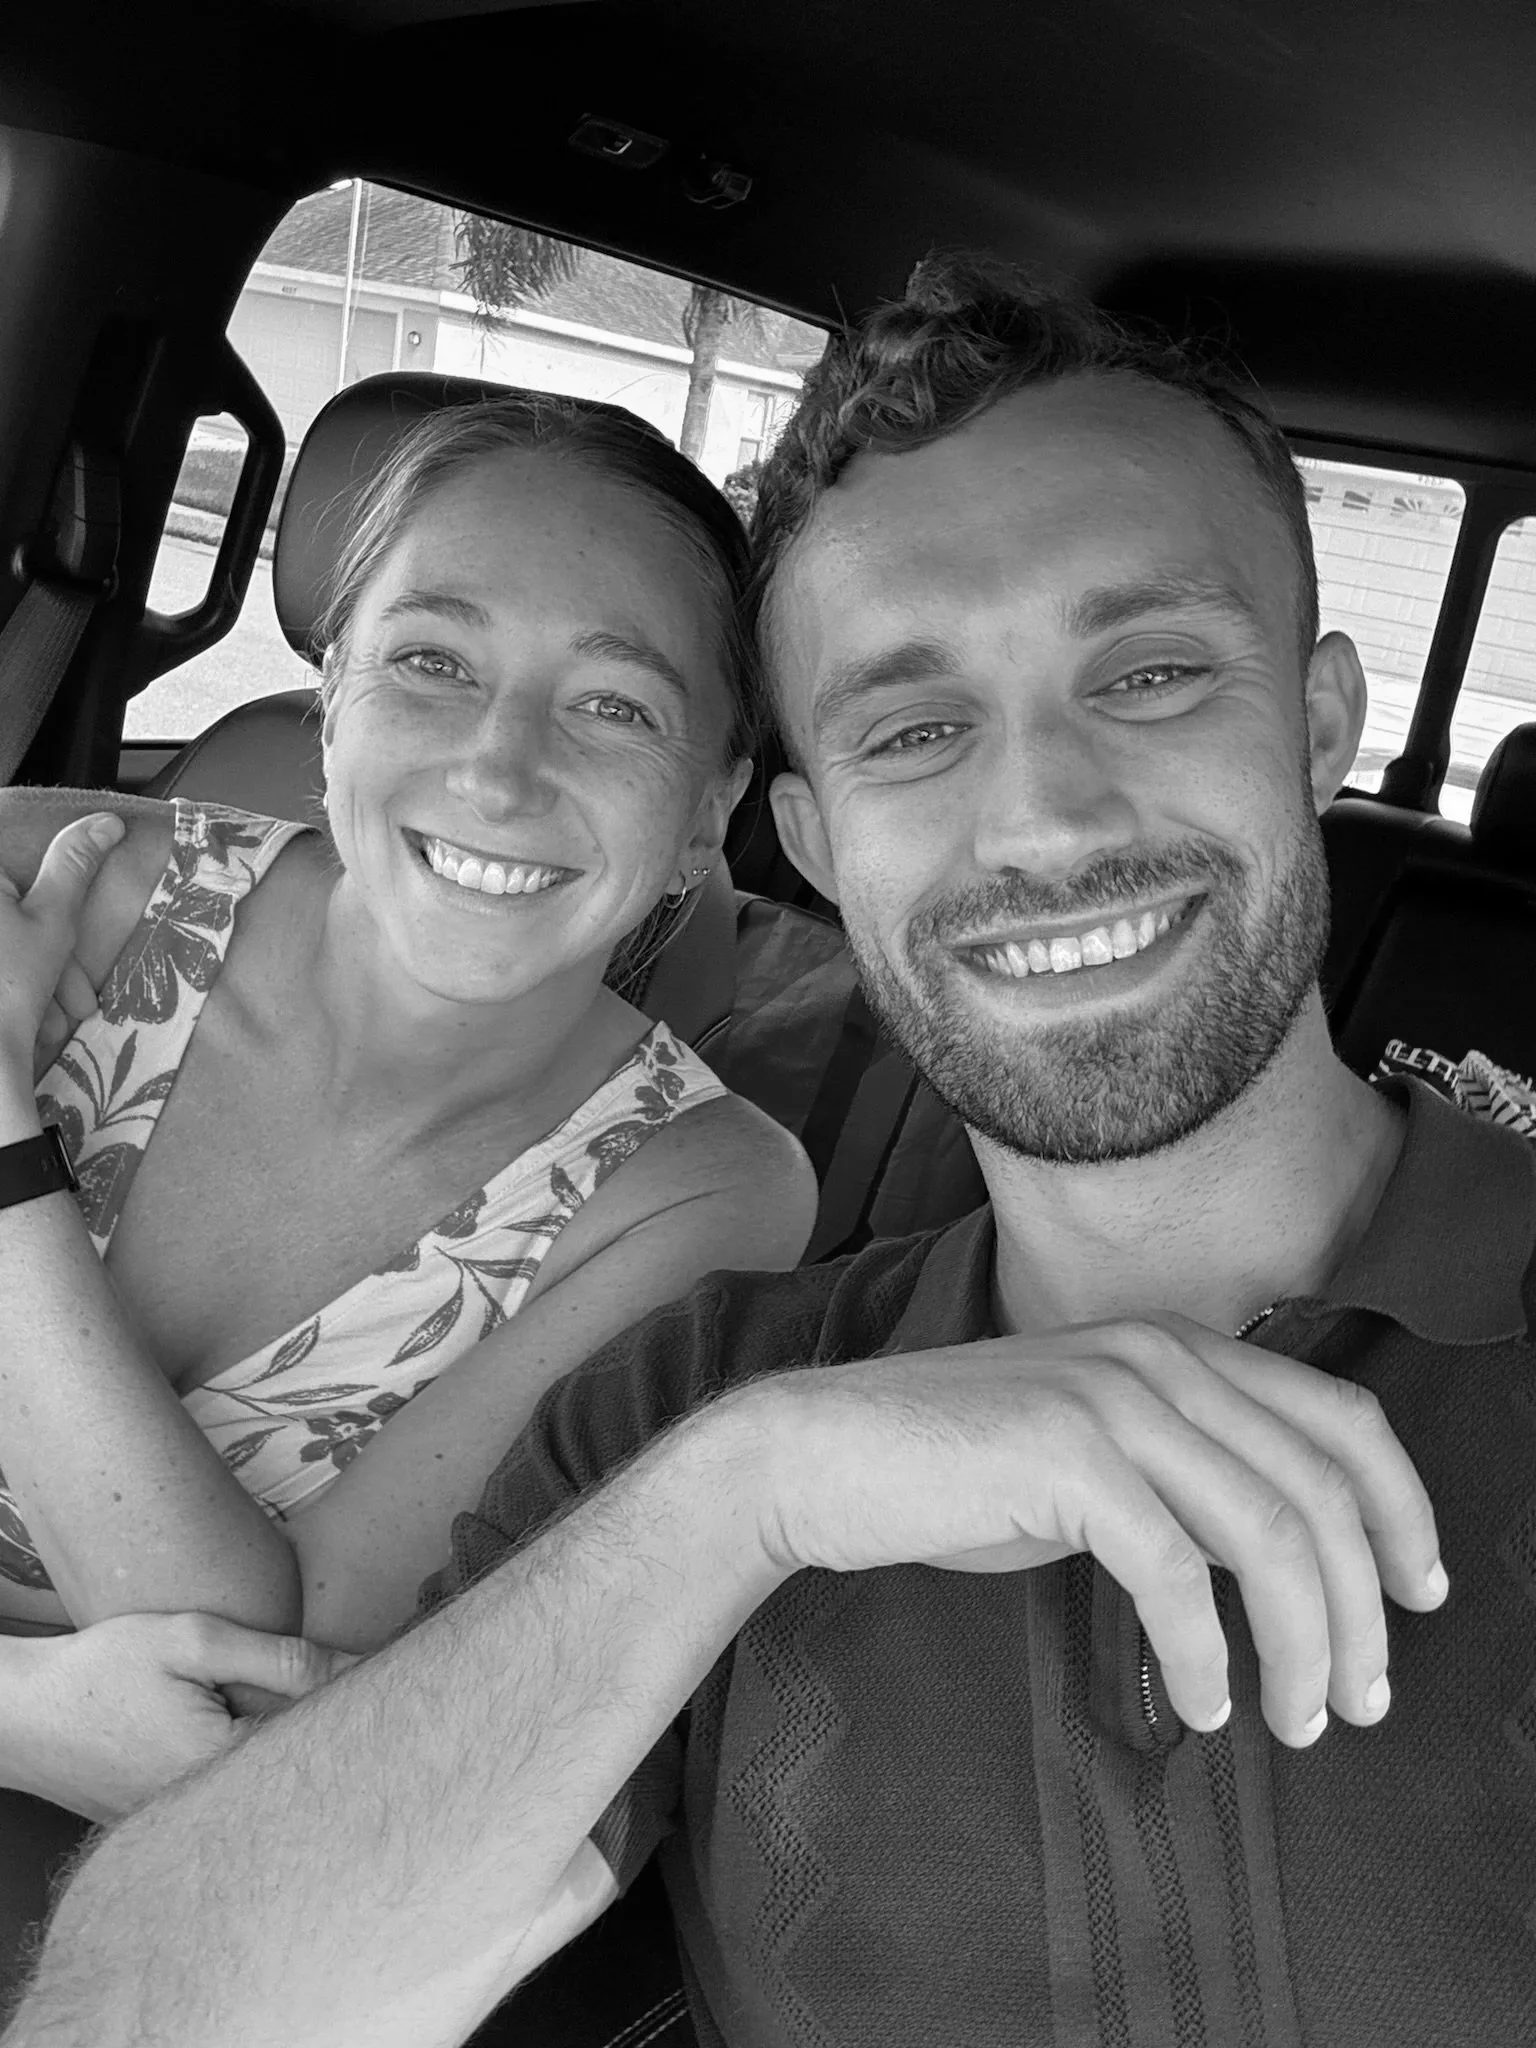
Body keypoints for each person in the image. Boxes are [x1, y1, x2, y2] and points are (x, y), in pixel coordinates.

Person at [8, 258, 1535, 2048]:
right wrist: (750, 1492)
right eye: (913, 729)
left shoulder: (681, 1196)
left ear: (1323, 724)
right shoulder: (689, 1406)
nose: (1043, 817)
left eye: (1150, 674)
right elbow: (144, 2013)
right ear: (810, 839)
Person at [0, 396, 814, 1913]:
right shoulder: (46, 888)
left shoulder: (695, 1187)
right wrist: (27, 1711)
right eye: (433, 663)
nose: (499, 772)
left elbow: (263, 1683)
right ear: (331, 704)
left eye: (615, 706)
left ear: (712, 807)